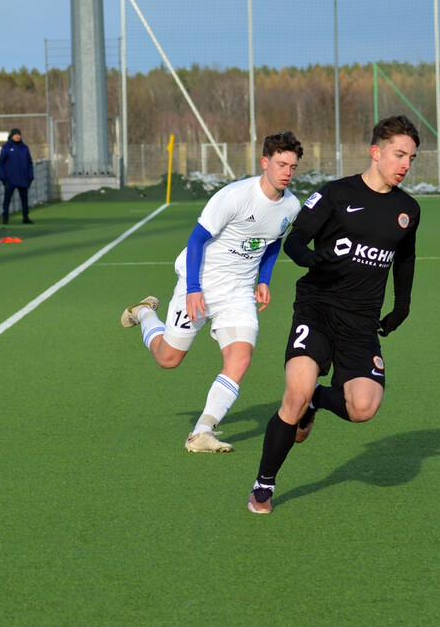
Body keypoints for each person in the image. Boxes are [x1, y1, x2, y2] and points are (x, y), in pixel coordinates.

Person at [246, 115, 422, 515]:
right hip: (318, 309)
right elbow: (295, 243)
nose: (405, 165)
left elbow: (405, 257)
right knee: (295, 392)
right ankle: (264, 483)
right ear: (375, 152)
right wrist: (314, 258)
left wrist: (402, 305)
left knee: (363, 407)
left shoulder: (407, 209)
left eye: (411, 158)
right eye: (398, 155)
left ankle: (316, 404)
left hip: (361, 322)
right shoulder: (335, 194)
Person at [120, 131, 304, 453]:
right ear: (265, 162)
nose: (287, 172)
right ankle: (145, 312)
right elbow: (196, 239)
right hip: (201, 284)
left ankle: (201, 432)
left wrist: (264, 280)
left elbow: (273, 241)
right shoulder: (234, 196)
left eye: (292, 166)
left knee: (240, 357)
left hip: (238, 292)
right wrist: (192, 289)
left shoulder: (291, 206)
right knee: (168, 359)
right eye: (280, 164)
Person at [0, 128, 34, 224]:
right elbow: (1, 163)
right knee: (7, 199)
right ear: (12, 136)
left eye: (18, 134)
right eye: (15, 135)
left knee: (24, 199)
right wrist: (2, 177)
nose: (17, 136)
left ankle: (25, 216)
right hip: (10, 179)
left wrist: (31, 176)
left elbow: (29, 162)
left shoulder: (24, 148)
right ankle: (5, 217)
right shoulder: (6, 147)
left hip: (23, 178)